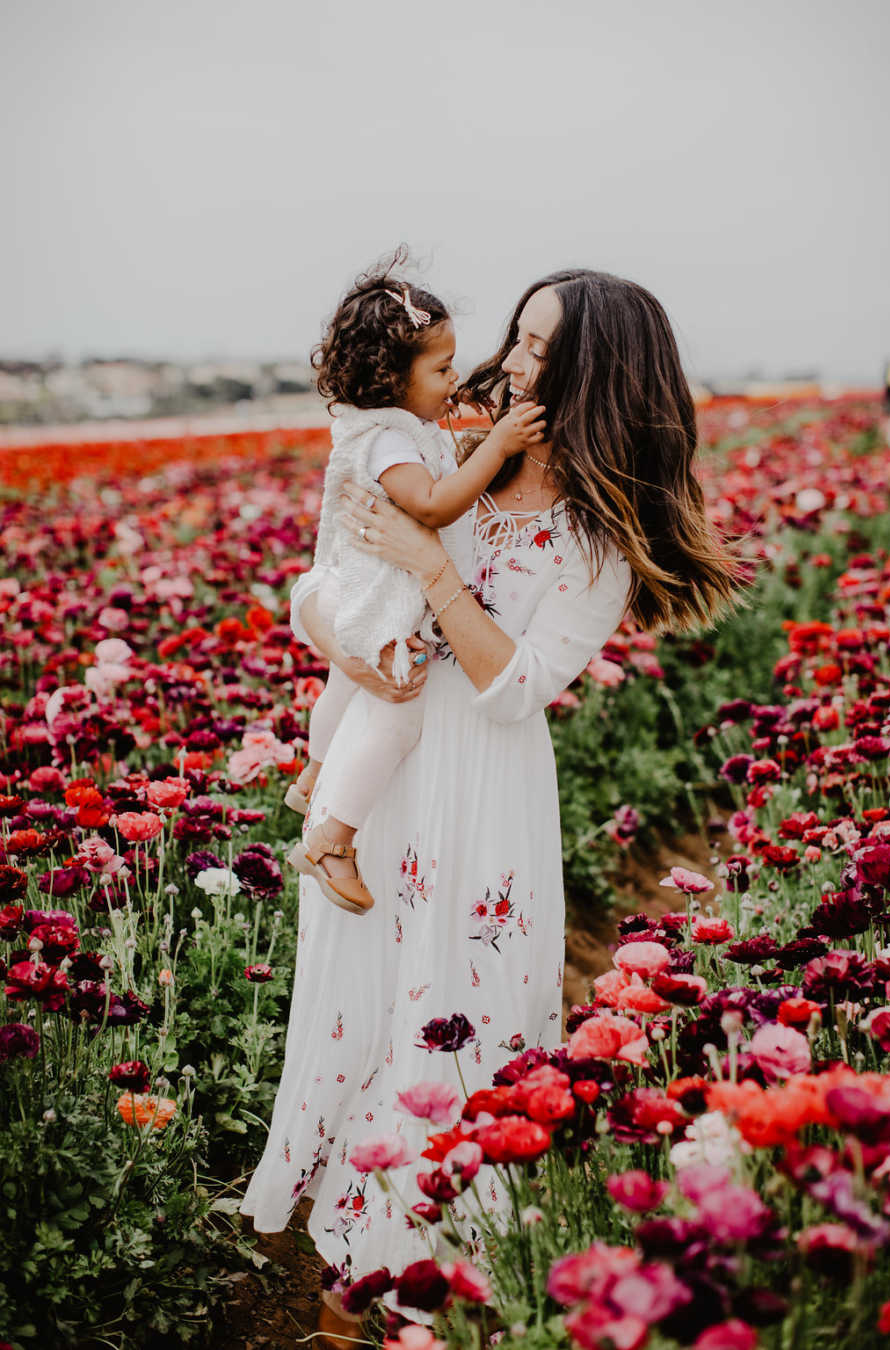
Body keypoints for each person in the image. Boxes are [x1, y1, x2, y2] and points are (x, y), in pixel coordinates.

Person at [241, 269, 738, 1340]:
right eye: (515, 338)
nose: (513, 362)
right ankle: (345, 1286)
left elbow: (514, 685)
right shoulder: (448, 445)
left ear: (594, 371)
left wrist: (430, 564)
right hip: (385, 776)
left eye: (539, 348)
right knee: (362, 1016)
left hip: (481, 791)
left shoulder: (596, 534)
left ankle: (423, 1295)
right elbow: (322, 586)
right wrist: (353, 652)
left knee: (449, 1034)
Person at [283, 258, 546, 915]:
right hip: (377, 601)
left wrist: (459, 426)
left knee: (345, 686)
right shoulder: (385, 446)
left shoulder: (390, 429)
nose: (454, 378)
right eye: (441, 368)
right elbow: (430, 506)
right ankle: (333, 839)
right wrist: (499, 445)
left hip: (355, 591)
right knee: (397, 719)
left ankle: (316, 772)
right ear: (392, 380)